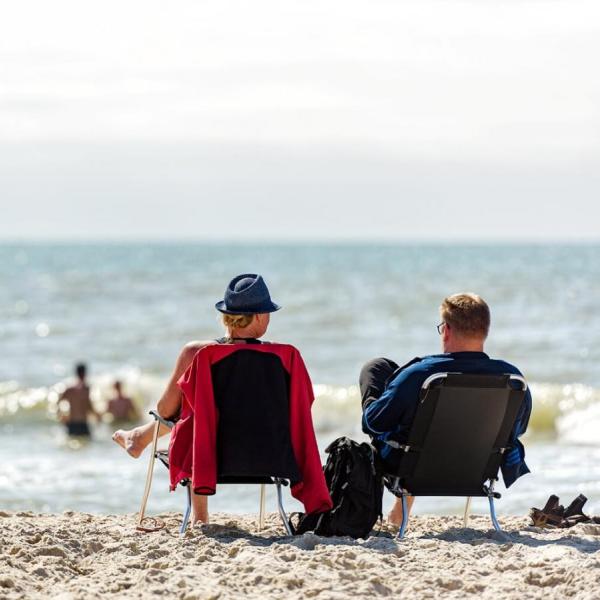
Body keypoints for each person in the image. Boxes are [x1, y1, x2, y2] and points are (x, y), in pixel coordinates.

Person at [113, 273, 330, 525]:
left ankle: (198, 515)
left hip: (210, 458)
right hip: (273, 456)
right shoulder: (286, 356)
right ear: (260, 316)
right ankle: (139, 437)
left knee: (193, 410)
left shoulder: (199, 353)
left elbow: (164, 410)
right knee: (199, 405)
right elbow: (302, 405)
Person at [360, 293, 532, 525]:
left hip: (413, 468)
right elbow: (517, 431)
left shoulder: (421, 375)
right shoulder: (512, 378)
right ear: (485, 330)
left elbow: (373, 423)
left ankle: (402, 501)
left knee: (376, 368)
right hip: (477, 468)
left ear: (447, 330)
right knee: (398, 387)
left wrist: (376, 397)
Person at [59, 363, 100, 437]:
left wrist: (61, 415)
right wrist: (97, 415)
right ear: (85, 373)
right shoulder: (86, 389)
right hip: (83, 423)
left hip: (72, 422)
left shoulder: (70, 389)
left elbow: (59, 402)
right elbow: (88, 405)